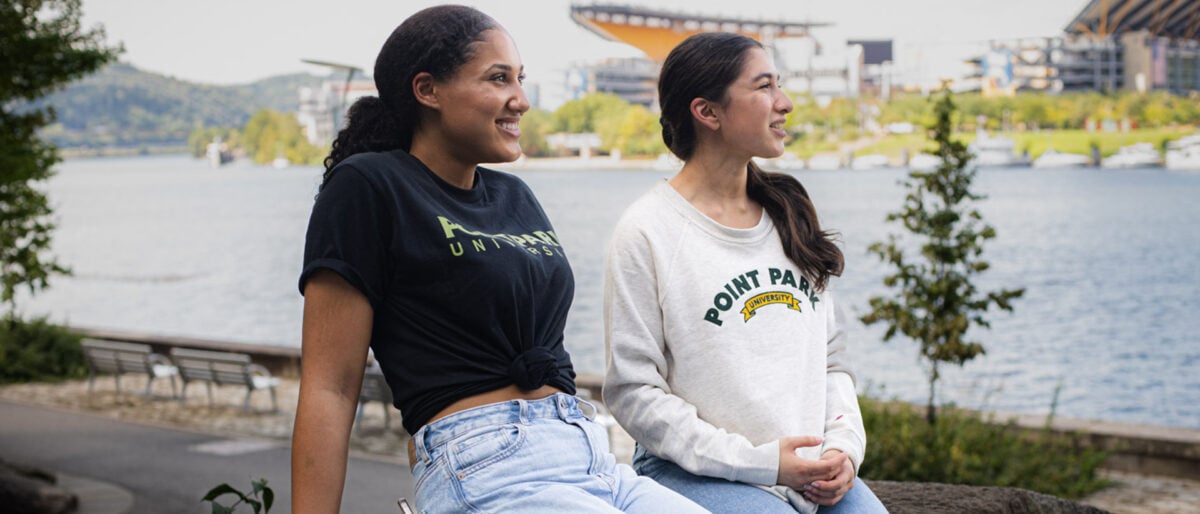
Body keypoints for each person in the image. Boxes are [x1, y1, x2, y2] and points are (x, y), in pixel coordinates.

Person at [291, 5, 707, 514]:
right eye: (498, 78)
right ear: (428, 90)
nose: (522, 101)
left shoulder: (515, 195)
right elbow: (330, 388)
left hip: (588, 454)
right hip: (486, 465)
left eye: (521, 78)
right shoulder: (369, 185)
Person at [603, 32, 887, 514]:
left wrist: (843, 447)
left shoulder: (788, 214)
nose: (786, 103)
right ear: (707, 112)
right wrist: (761, 463)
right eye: (764, 87)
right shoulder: (647, 231)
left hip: (807, 471)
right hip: (692, 471)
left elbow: (832, 361)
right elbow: (633, 392)